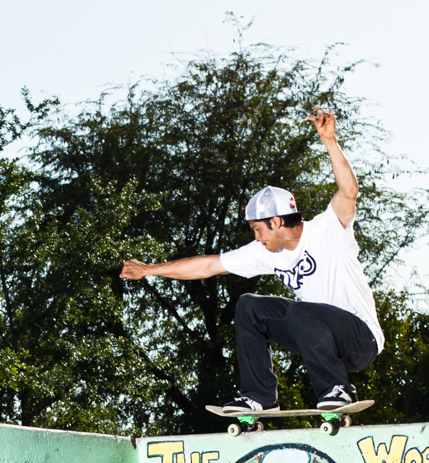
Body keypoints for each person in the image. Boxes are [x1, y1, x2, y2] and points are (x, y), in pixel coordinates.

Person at [119, 106, 383, 412]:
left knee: (300, 313)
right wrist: (150, 270)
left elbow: (348, 192)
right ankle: (260, 397)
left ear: (275, 221)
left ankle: (337, 389)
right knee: (249, 306)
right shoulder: (265, 251)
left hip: (360, 339)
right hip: (318, 337)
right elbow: (208, 266)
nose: (257, 238)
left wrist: (330, 142)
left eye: (258, 229)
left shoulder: (328, 230)